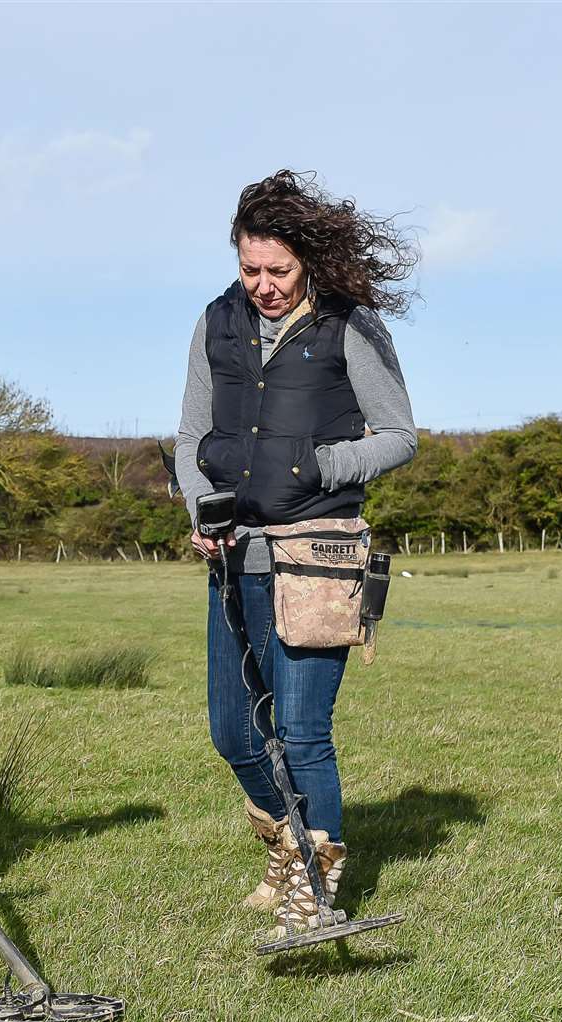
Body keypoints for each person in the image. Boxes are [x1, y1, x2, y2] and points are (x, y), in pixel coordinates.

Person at [173, 170, 418, 943]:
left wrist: (317, 467)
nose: (263, 285)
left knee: (304, 732)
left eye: (278, 270)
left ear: (307, 260)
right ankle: (286, 843)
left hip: (316, 557)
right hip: (233, 561)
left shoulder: (351, 326)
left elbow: (399, 437)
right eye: (251, 269)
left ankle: (313, 890)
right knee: (234, 734)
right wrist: (200, 510)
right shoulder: (215, 321)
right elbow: (188, 438)